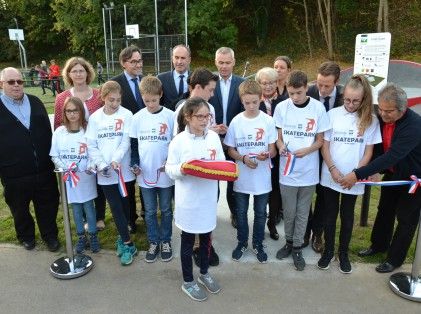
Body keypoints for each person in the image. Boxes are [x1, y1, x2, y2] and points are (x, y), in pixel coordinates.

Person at [340, 83, 421, 273]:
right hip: (394, 174)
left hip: (413, 180)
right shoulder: (383, 118)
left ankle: (394, 259)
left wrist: (358, 174)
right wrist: (374, 169)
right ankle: (378, 245)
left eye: (388, 111)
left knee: (406, 219)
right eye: (381, 109)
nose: (383, 115)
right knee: (384, 209)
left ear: (402, 108)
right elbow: (379, 146)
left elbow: (392, 155)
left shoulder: (414, 126)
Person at [317, 75, 381, 274]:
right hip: (331, 175)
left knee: (347, 216)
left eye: (356, 101)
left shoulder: (370, 120)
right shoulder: (332, 114)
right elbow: (325, 146)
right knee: (330, 214)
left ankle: (343, 253)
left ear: (364, 100)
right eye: (347, 100)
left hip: (354, 179)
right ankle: (328, 251)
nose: (350, 104)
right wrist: (333, 169)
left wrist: (355, 174)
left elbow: (369, 151)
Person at [166, 97, 224, 301]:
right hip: (188, 202)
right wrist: (182, 169)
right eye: (199, 116)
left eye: (207, 116)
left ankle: (204, 273)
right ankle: (188, 281)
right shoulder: (178, 141)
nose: (204, 120)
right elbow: (169, 169)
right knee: (188, 242)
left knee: (207, 239)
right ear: (188, 117)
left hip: (208, 199)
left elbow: (221, 163)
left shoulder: (213, 138)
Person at [273, 70, 330, 271]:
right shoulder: (281, 108)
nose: (295, 97)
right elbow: (279, 137)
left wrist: (308, 150)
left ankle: (298, 246)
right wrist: (280, 146)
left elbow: (321, 140)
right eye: (291, 93)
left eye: (298, 92)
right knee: (288, 210)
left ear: (307, 88)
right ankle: (288, 242)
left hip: (308, 171)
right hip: (287, 171)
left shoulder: (318, 108)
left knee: (303, 211)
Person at [0, 67, 60, 251]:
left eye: (20, 81)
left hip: (43, 169)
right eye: (11, 82)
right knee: (20, 209)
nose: (16, 85)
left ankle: (50, 236)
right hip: (14, 173)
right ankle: (26, 236)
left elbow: (48, 133)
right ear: (2, 84)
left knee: (48, 205)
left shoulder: (35, 101)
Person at [224, 80, 277, 263]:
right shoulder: (237, 121)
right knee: (241, 212)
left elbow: (273, 150)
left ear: (261, 98)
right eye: (247, 103)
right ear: (242, 101)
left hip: (262, 178)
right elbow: (230, 150)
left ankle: (258, 243)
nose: (252, 106)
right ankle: (242, 242)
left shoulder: (268, 121)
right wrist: (244, 159)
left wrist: (267, 155)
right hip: (242, 177)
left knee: (261, 212)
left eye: (255, 102)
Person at [173, 68, 221, 267]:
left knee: (208, 208)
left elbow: (209, 134)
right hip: (190, 177)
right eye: (210, 90)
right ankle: (194, 246)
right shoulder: (181, 109)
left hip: (209, 173)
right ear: (198, 87)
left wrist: (214, 130)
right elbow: (179, 139)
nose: (212, 94)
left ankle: (205, 244)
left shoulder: (210, 108)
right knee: (192, 212)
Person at [86, 81, 138, 265]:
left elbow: (125, 141)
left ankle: (123, 234)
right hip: (105, 172)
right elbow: (91, 144)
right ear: (103, 98)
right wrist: (101, 164)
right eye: (111, 100)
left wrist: (116, 159)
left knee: (125, 205)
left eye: (118, 100)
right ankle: (127, 243)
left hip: (122, 170)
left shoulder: (126, 114)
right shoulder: (95, 118)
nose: (115, 104)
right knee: (114, 206)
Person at [53, 56, 106, 231]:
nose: (78, 74)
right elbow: (59, 124)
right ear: (69, 74)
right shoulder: (62, 98)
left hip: (96, 146)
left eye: (81, 70)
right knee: (78, 183)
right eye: (74, 71)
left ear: (87, 72)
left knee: (97, 181)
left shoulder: (98, 94)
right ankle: (82, 218)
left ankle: (98, 217)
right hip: (74, 148)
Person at [129, 76, 174, 263]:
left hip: (164, 174)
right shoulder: (138, 118)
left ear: (160, 95)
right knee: (149, 211)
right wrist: (135, 164)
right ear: (142, 97)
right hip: (145, 174)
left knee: (165, 209)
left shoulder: (170, 116)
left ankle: (166, 241)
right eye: (146, 101)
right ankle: (153, 241)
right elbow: (133, 145)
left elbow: (176, 144)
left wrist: (170, 162)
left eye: (154, 100)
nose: (150, 104)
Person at [50, 97, 100, 254]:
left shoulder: (87, 132)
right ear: (64, 112)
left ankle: (93, 236)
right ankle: (81, 237)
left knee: (89, 208)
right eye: (68, 111)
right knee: (76, 209)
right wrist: (66, 168)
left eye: (75, 110)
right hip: (69, 180)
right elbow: (54, 155)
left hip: (85, 179)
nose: (72, 114)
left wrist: (91, 167)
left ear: (81, 111)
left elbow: (93, 154)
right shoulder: (59, 132)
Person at [305, 61, 344, 253]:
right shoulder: (308, 92)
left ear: (336, 82)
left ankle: (317, 232)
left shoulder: (346, 97)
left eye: (327, 85)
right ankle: (305, 230)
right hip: (309, 152)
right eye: (319, 83)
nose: (321, 89)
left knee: (323, 197)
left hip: (331, 155)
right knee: (305, 194)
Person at [209, 47, 245, 229]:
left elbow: (245, 111)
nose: (224, 66)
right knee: (211, 176)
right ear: (216, 62)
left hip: (233, 140)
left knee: (232, 178)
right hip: (212, 139)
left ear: (233, 62)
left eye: (227, 62)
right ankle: (209, 212)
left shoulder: (242, 83)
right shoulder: (209, 82)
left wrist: (232, 130)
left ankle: (234, 212)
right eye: (220, 62)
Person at [112, 45, 145, 231]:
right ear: (124, 63)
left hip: (147, 137)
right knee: (129, 181)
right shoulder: (116, 84)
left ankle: (146, 213)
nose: (138, 64)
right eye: (134, 61)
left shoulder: (147, 81)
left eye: (140, 60)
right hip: (126, 140)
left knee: (146, 175)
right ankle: (130, 218)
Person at [256, 67, 289, 240]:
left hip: (277, 153)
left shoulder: (285, 102)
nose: (268, 86)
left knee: (275, 189)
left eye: (271, 83)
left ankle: (272, 222)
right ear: (259, 84)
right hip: (259, 153)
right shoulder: (254, 102)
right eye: (264, 83)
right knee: (261, 190)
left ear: (277, 83)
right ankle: (259, 224)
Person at [157, 44, 191, 110]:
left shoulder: (196, 78)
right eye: (176, 57)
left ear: (189, 60)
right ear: (172, 58)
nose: (179, 62)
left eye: (183, 58)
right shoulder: (161, 79)